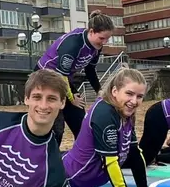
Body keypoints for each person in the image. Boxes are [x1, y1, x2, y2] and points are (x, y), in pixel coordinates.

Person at [62, 67, 170, 187]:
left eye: (139, 96)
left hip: (74, 182)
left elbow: (135, 154)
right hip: (58, 181)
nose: (134, 101)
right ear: (114, 91)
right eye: (129, 94)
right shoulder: (104, 114)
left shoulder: (125, 112)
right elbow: (111, 163)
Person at [35, 10, 115, 145]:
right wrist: (71, 98)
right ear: (91, 31)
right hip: (44, 78)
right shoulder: (73, 44)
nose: (104, 42)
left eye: (107, 39)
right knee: (57, 127)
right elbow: (61, 75)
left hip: (64, 79)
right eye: (102, 38)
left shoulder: (96, 46)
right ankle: (49, 154)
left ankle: (83, 154)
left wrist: (100, 92)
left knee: (81, 123)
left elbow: (90, 70)